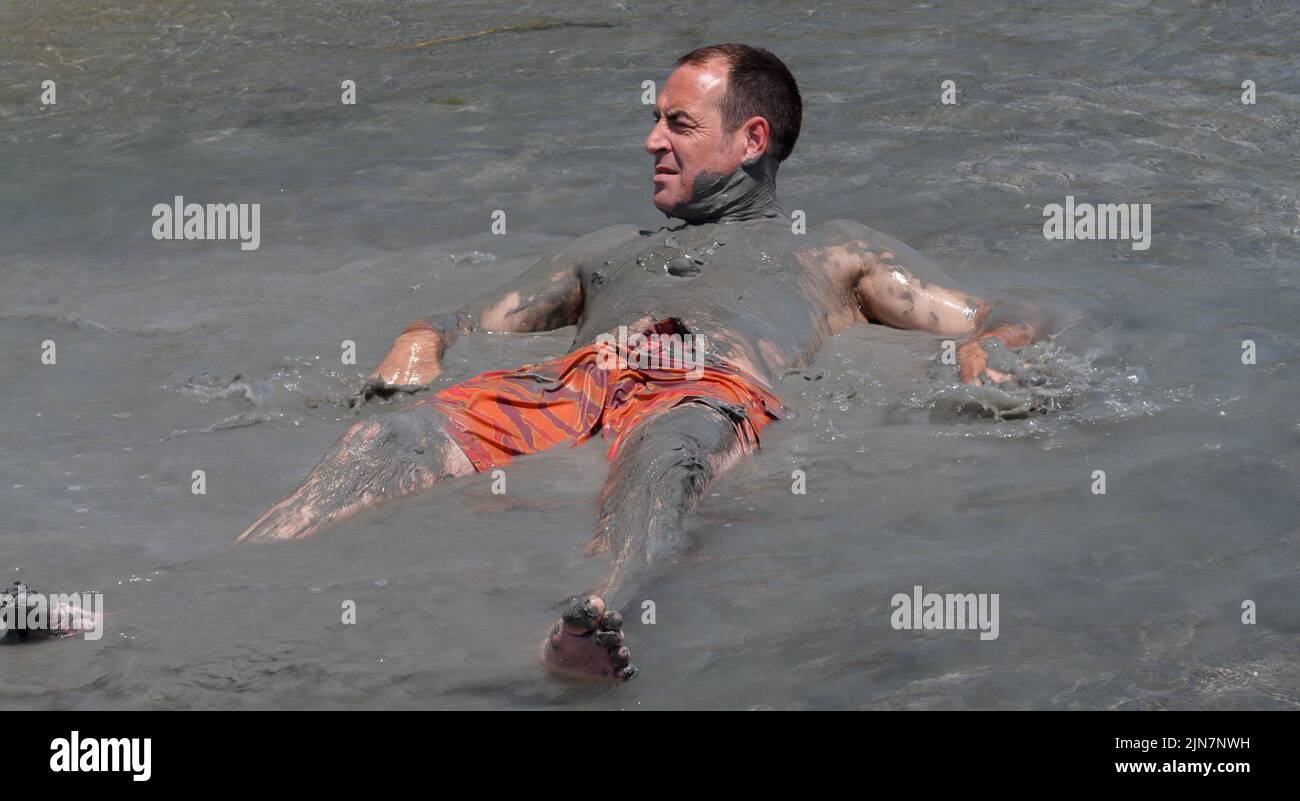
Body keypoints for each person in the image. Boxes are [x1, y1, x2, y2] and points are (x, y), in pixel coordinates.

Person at [235, 43, 1064, 681]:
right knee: (393, 439)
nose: (650, 140)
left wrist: (983, 348)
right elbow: (472, 317)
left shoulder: (832, 253)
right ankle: (243, 571)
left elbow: (1005, 308)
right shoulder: (605, 251)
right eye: (656, 120)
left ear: (752, 139)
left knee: (666, 461)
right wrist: (422, 335)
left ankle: (598, 613)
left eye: (677, 123)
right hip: (582, 373)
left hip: (710, 379)